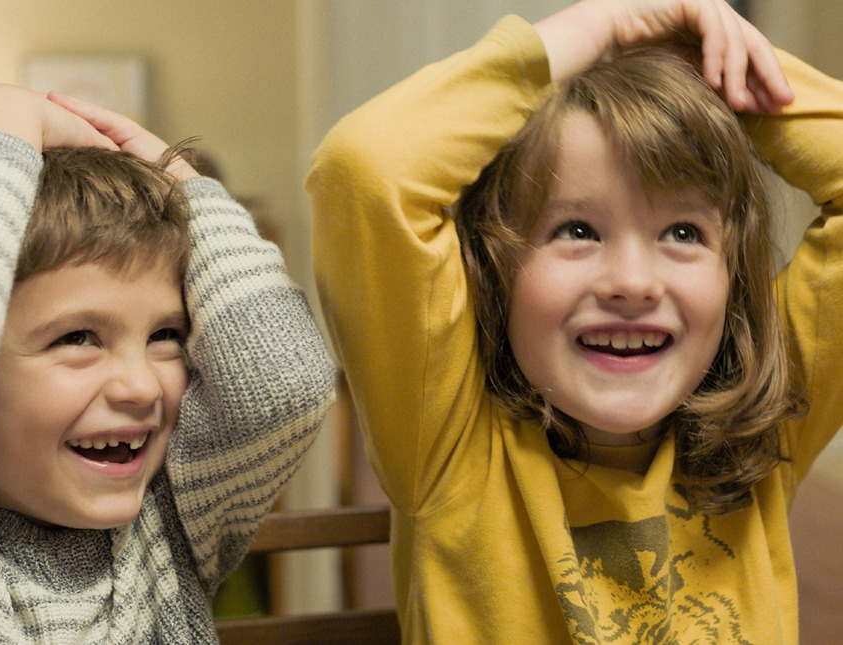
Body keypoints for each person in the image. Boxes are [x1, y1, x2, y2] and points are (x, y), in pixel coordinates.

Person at [308, 0, 843, 642]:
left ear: (734, 278)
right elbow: (364, 170)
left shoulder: (767, 430)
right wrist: (598, 26)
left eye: (682, 232)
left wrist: (725, 69)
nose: (633, 283)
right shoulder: (447, 438)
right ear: (498, 269)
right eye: (578, 231)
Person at [0, 83, 336, 642]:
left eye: (165, 335)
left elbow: (283, 385)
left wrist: (183, 185)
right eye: (77, 338)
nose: (141, 387)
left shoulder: (172, 520)